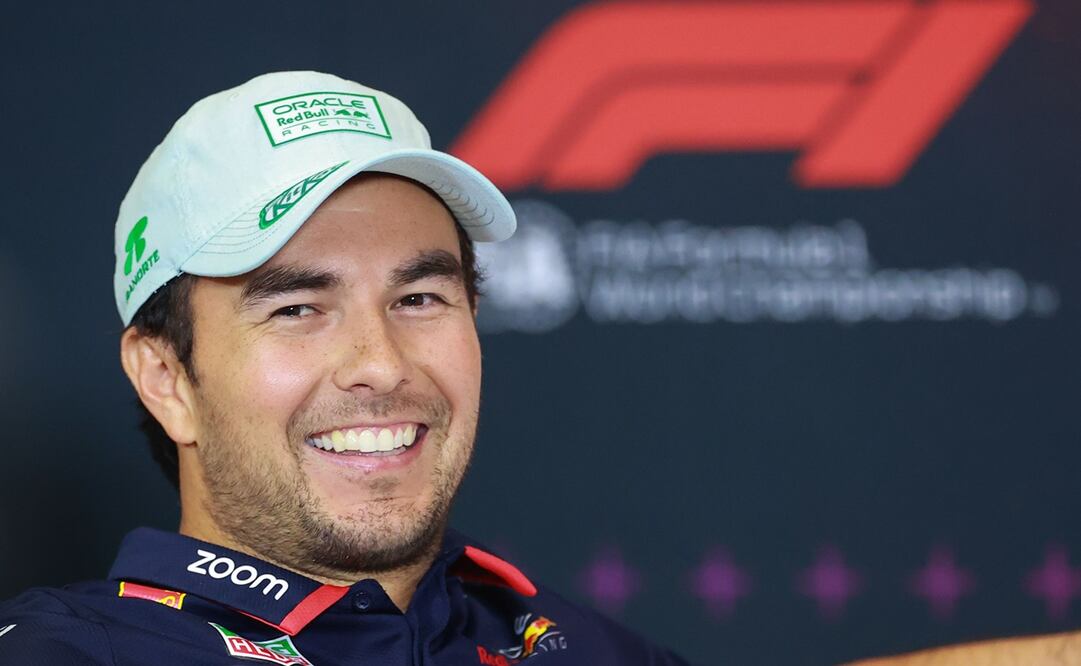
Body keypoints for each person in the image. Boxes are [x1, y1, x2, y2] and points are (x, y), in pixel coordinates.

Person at [0, 71, 689, 665]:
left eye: (418, 299)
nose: (381, 365)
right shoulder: (64, 653)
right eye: (298, 309)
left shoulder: (598, 651)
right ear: (166, 377)